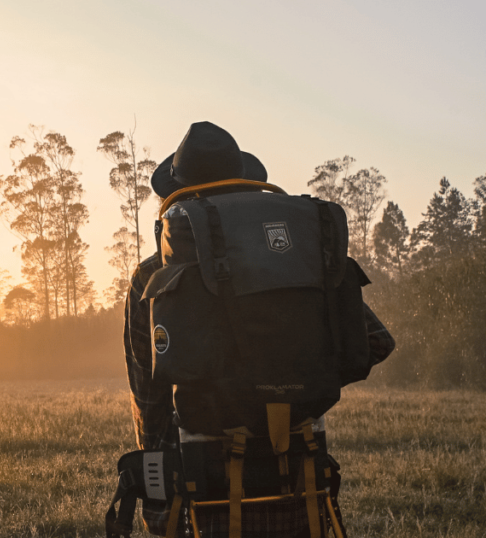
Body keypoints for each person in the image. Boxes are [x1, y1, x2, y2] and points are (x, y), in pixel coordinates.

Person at [123, 121, 395, 537]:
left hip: (206, 487)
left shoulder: (153, 276)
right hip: (299, 477)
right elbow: (374, 342)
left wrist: (160, 504)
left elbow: (150, 397)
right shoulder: (298, 256)